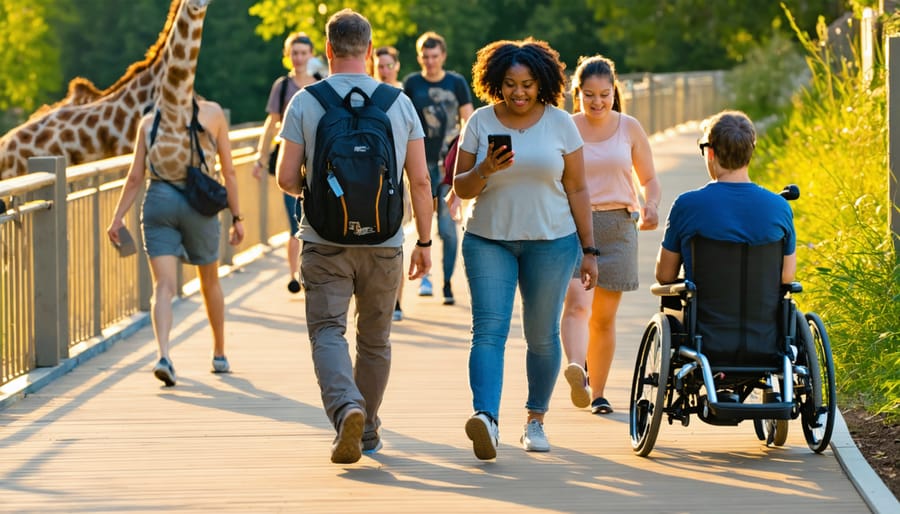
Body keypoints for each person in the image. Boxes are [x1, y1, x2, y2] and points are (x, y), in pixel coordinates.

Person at [276, 9, 433, 464]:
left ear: (327, 50)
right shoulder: (398, 102)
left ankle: (347, 408)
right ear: (369, 49)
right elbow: (420, 182)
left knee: (328, 330)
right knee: (375, 340)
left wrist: (318, 188)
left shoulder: (306, 101)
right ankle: (368, 431)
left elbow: (287, 177)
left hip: (324, 239)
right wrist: (424, 242)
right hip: (385, 243)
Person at [453, 38, 598, 460]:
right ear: (496, 82)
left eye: (529, 84)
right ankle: (487, 419)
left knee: (541, 336)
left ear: (544, 84)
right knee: (488, 330)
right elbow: (461, 187)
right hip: (487, 239)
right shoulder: (479, 122)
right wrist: (484, 168)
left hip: (552, 242)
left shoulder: (561, 124)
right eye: (511, 84)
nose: (519, 92)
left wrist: (590, 251)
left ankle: (535, 420)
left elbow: (578, 187)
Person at [107, 99, 244, 386]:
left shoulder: (149, 122)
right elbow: (229, 171)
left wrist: (117, 218)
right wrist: (237, 216)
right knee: (210, 282)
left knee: (163, 287)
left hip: (159, 201)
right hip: (200, 202)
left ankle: (164, 355)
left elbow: (135, 178)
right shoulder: (213, 114)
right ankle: (219, 354)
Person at [559, 55, 661, 415]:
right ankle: (577, 370)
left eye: (604, 94)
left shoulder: (629, 128)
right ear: (578, 94)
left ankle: (597, 393)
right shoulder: (566, 126)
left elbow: (649, 179)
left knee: (602, 318)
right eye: (589, 95)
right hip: (574, 226)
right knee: (578, 306)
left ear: (614, 93)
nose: (597, 102)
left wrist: (651, 206)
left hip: (619, 227)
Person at [655, 109, 796, 286]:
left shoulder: (686, 206)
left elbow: (665, 275)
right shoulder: (779, 207)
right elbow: (787, 277)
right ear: (750, 152)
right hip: (764, 312)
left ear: (711, 153)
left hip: (703, 313)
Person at [403, 31, 473, 305]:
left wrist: (464, 157)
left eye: (434, 56)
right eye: (425, 56)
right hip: (419, 161)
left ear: (442, 55)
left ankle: (445, 283)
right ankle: (425, 275)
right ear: (420, 57)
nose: (430, 61)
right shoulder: (412, 83)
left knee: (446, 226)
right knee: (420, 222)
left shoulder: (455, 82)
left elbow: (468, 119)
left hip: (448, 164)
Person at [252, 32, 320, 294]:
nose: (299, 57)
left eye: (303, 53)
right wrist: (260, 157)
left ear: (311, 55)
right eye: (295, 52)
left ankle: (310, 270)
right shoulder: (281, 86)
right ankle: (294, 275)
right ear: (288, 55)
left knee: (312, 217)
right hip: (288, 158)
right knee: (294, 219)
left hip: (314, 161)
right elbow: (271, 123)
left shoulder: (319, 84)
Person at [372, 45, 407, 321]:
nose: (384, 70)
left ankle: (396, 300)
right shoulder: (368, 94)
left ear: (396, 66)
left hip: (398, 178)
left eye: (388, 65)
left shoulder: (404, 96)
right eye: (379, 65)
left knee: (396, 242)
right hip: (371, 178)